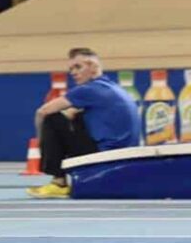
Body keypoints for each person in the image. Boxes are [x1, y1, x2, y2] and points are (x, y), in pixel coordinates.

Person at [29, 48, 139, 199]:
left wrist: (43, 142)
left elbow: (43, 111)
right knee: (76, 115)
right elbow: (71, 114)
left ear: (93, 67)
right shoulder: (111, 87)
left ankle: (58, 182)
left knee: (51, 119)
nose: (73, 73)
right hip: (124, 155)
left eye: (78, 67)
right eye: (71, 69)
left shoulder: (87, 90)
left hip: (105, 155)